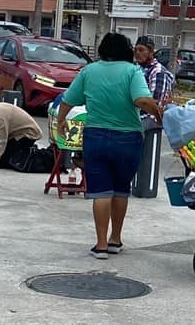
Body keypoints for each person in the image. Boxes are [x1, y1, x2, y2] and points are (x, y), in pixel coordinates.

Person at [57, 33, 161, 259]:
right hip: (128, 139)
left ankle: (101, 244)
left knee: (101, 192)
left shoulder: (89, 71)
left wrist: (60, 122)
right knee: (121, 189)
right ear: (127, 50)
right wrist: (157, 112)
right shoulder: (132, 71)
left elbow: (67, 100)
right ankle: (115, 239)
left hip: (96, 137)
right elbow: (141, 100)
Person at [133, 36, 175, 116]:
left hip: (150, 122)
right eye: (135, 50)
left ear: (151, 52)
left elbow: (154, 105)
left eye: (141, 50)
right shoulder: (137, 69)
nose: (137, 53)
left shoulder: (158, 73)